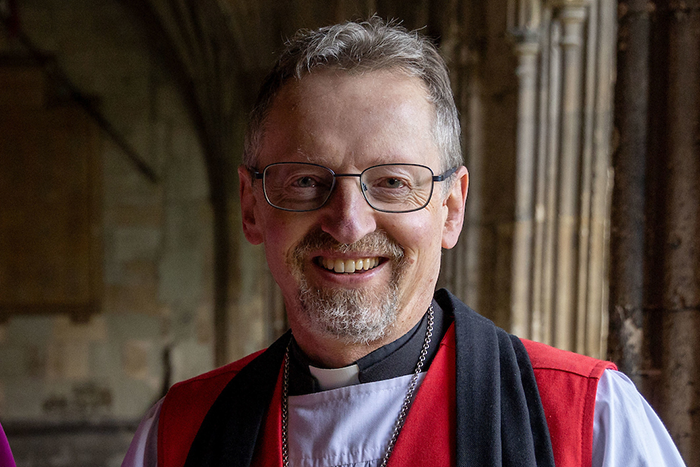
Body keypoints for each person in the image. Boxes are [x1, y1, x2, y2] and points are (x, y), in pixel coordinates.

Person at [122, 17, 686, 467]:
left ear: (451, 209)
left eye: (392, 182)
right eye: (306, 181)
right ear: (251, 207)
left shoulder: (590, 422)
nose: (348, 223)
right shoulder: (176, 436)